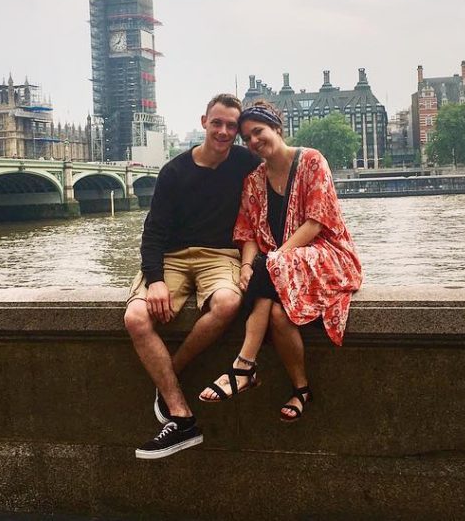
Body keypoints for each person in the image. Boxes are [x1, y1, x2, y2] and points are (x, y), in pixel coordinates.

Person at [198, 100, 363, 422]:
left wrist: (274, 260)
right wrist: (247, 266)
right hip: (279, 269)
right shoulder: (254, 180)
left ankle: (243, 365)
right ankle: (301, 390)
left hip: (328, 255)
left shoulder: (312, 161)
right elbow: (246, 233)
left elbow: (316, 222)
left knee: (269, 266)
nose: (253, 142)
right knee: (275, 313)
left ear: (276, 128)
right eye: (247, 138)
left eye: (258, 132)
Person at [124, 94, 261, 460]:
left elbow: (280, 160)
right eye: (217, 123)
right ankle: (181, 414)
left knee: (229, 303)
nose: (224, 131)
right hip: (172, 257)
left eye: (232, 126)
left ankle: (171, 373)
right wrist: (154, 279)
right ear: (204, 122)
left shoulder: (247, 163)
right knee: (135, 317)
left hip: (219, 255)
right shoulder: (174, 172)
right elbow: (152, 233)